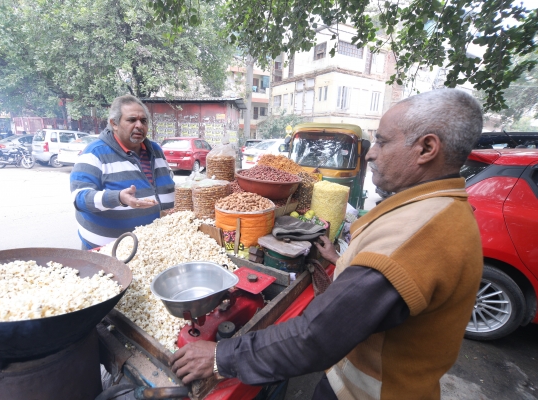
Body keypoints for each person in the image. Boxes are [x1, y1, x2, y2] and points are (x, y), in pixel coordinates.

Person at [170, 89, 485, 399]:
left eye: (383, 141)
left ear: (427, 148)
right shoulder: (439, 208)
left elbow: (316, 335)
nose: (371, 153)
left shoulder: (420, 233)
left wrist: (220, 357)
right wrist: (341, 258)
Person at [70, 94, 175, 249]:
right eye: (132, 120)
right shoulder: (95, 153)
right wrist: (118, 197)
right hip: (108, 253)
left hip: (152, 248)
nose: (139, 125)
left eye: (144, 120)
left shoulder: (155, 150)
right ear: (114, 124)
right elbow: (80, 198)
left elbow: (166, 183)